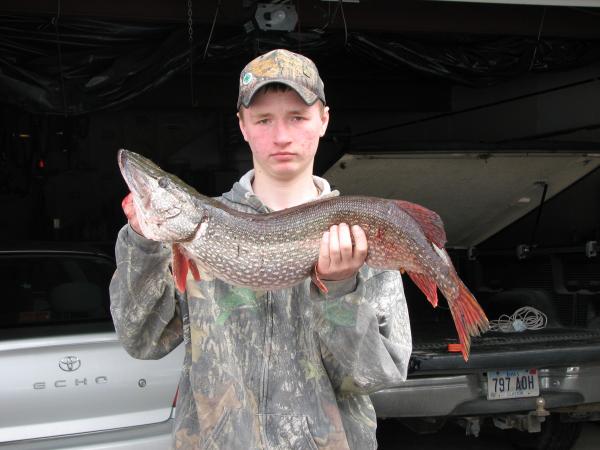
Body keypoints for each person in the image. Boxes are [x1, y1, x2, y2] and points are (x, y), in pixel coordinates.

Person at [110, 48, 412, 450]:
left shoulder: (359, 230)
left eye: (298, 117)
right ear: (243, 126)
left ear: (324, 120)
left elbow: (378, 377)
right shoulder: (188, 235)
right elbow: (143, 340)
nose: (281, 136)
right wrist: (143, 245)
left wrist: (341, 292)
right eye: (264, 119)